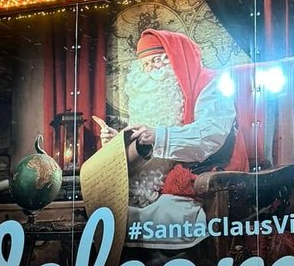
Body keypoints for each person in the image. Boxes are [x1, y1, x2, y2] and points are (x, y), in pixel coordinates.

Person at [97, 29, 246, 249]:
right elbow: (144, 144)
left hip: (197, 178)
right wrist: (117, 144)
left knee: (165, 216)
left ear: (177, 61)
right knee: (105, 217)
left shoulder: (210, 84)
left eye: (157, 61)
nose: (151, 72)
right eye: (145, 65)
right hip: (148, 190)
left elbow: (209, 134)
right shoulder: (148, 97)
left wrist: (157, 136)